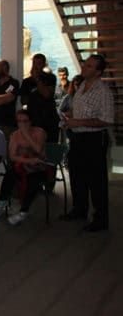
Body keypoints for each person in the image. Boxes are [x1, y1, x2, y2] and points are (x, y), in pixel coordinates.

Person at [61, 54, 114, 231]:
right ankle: (79, 209)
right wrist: (70, 115)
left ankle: (100, 218)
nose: (84, 67)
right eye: (85, 64)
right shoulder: (82, 85)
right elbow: (80, 110)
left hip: (94, 139)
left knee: (96, 179)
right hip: (78, 138)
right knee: (76, 174)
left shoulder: (103, 91)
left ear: (98, 72)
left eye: (90, 66)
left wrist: (79, 122)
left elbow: (106, 120)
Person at [0, 110, 46, 225]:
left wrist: (26, 135)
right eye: (19, 121)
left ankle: (23, 211)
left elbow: (38, 150)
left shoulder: (39, 132)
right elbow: (13, 156)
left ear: (31, 121)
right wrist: (29, 160)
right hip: (22, 164)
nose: (22, 124)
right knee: (9, 175)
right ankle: (1, 202)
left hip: (38, 167)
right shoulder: (15, 135)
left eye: (25, 121)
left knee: (33, 180)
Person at [19, 53, 59, 143]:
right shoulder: (27, 81)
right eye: (34, 63)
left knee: (49, 147)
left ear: (43, 64)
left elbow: (47, 94)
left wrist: (37, 79)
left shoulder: (50, 78)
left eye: (39, 64)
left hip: (49, 120)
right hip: (33, 119)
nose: (36, 67)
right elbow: (23, 101)